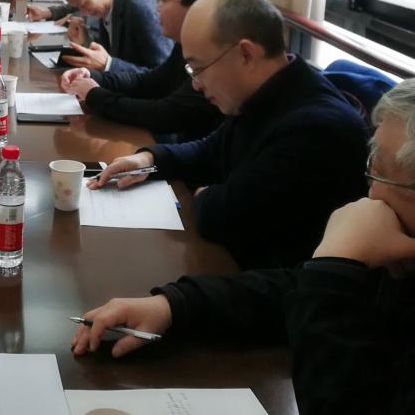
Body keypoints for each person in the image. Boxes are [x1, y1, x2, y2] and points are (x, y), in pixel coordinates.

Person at [72, 79, 415, 414]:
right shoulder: (397, 257)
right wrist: (174, 304)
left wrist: (334, 272)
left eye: (381, 174)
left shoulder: (315, 123)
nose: (370, 194)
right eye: (371, 169)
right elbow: (291, 291)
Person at [89, 0, 368, 269]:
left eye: (198, 69)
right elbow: (211, 149)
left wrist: (205, 196)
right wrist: (148, 159)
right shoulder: (267, 91)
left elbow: (221, 217)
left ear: (246, 54)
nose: (196, 85)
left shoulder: (314, 129)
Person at [61, 0, 230, 142]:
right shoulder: (186, 43)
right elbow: (150, 81)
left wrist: (94, 94)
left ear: (198, 6)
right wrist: (94, 77)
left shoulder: (216, 58)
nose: (157, 8)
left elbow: (164, 115)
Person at [53, 0, 173, 75]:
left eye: (83, 4)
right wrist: (86, 44)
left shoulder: (141, 9)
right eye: (78, 7)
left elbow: (165, 74)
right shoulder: (107, 6)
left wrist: (108, 64)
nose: (84, 12)